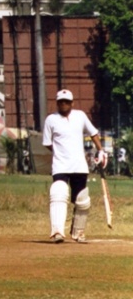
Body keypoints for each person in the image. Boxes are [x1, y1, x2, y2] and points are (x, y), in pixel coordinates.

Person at [42, 88, 107, 244]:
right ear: (57, 103)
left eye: (66, 102)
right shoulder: (51, 119)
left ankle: (78, 231)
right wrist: (60, 152)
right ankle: (57, 231)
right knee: (58, 193)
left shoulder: (80, 116)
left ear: (72, 103)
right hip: (60, 165)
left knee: (82, 199)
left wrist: (101, 150)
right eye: (60, 102)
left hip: (79, 165)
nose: (63, 104)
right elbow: (47, 143)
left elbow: (93, 133)